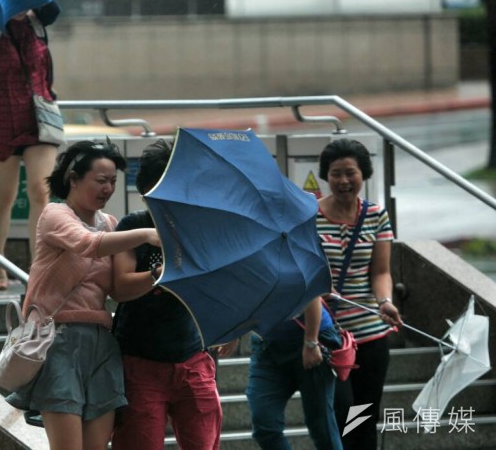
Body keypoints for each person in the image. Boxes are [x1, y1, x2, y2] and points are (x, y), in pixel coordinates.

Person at [6, 139, 161, 450]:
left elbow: (118, 289)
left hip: (102, 345)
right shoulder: (55, 215)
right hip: (59, 342)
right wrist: (146, 234)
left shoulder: (111, 224)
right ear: (73, 179)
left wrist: (155, 275)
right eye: (101, 180)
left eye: (114, 182)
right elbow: (88, 243)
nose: (108, 189)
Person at [110, 138, 237, 450]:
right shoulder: (134, 226)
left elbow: (224, 284)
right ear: (146, 191)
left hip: (194, 360)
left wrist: (233, 327)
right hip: (140, 364)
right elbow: (120, 289)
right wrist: (160, 271)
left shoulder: (204, 229)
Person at [0, 1, 61, 290]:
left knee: (40, 190)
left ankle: (39, 268)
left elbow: (52, 6)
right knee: (4, 195)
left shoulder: (38, 20)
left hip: (38, 116)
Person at [316, 138, 403, 449]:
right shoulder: (308, 216)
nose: (343, 181)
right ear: (326, 176)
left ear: (363, 175)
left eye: (350, 173)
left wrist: (385, 302)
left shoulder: (376, 215)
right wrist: (316, 291)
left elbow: (380, 272)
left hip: (371, 336)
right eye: (336, 173)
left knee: (363, 417)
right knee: (340, 414)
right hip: (329, 337)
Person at [245, 297, 343, 450]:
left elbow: (312, 291)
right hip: (267, 346)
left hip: (312, 337)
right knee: (264, 422)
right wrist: (232, 332)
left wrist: (311, 341)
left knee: (321, 427)